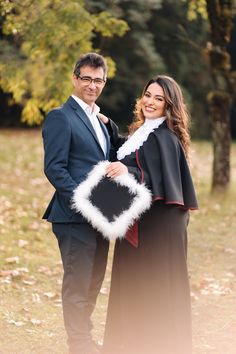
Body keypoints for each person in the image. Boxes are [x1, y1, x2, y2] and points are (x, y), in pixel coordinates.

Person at [100, 75, 198, 354]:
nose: (150, 102)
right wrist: (109, 126)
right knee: (134, 283)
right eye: (147, 95)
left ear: (169, 105)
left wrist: (126, 172)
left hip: (159, 227)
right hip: (139, 219)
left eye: (158, 98)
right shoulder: (142, 132)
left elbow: (149, 173)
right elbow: (127, 153)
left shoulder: (165, 137)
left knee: (154, 285)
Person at [42, 52, 115, 354]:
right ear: (75, 78)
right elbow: (55, 168)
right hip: (73, 216)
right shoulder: (61, 116)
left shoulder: (101, 120)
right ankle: (79, 344)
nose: (92, 85)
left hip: (101, 216)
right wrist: (83, 203)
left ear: (104, 82)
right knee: (78, 282)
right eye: (86, 78)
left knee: (94, 281)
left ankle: (84, 337)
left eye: (98, 80)